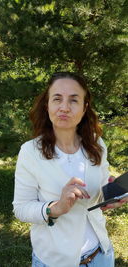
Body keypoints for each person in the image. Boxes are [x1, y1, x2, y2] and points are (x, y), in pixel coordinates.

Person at [12, 72, 127, 267]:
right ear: (47, 105)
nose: (64, 107)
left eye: (74, 100)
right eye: (57, 99)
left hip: (101, 255)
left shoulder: (96, 144)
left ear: (84, 108)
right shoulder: (30, 151)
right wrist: (54, 208)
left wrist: (111, 195)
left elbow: (97, 192)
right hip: (55, 261)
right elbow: (21, 208)